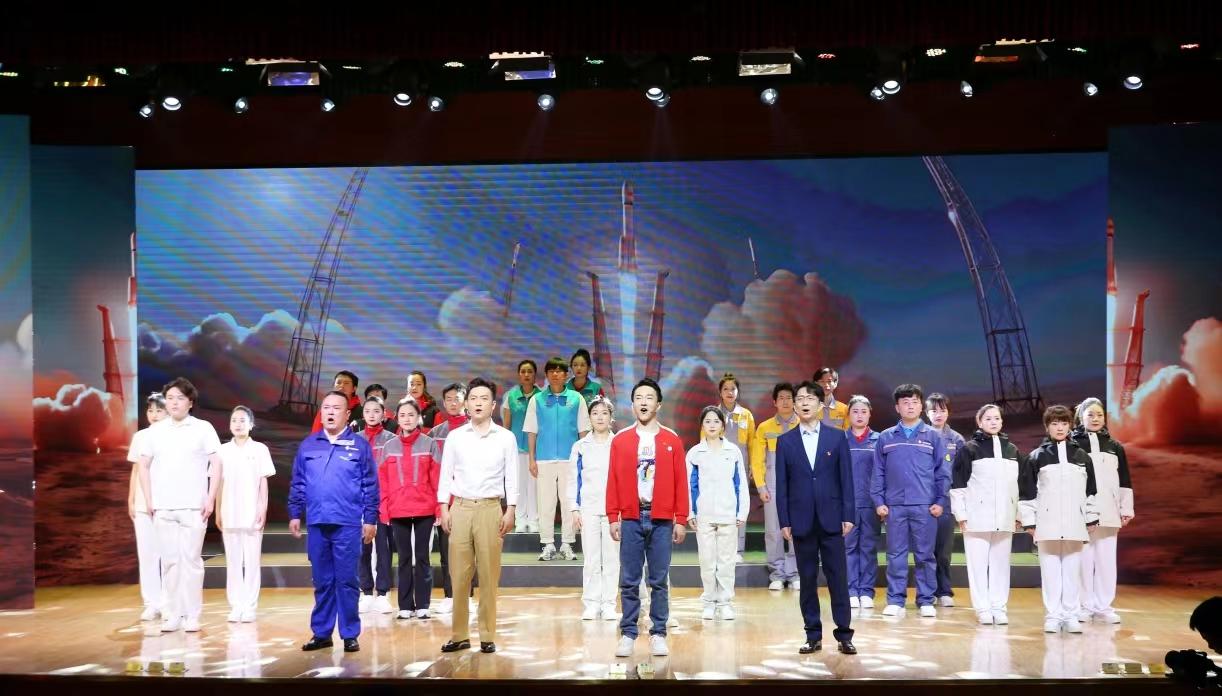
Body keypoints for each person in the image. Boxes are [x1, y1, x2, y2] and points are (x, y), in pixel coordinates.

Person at [288, 391, 378, 653]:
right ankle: (322, 633)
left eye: (336, 408)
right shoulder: (309, 445)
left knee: (347, 580)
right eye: (326, 407)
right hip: (317, 522)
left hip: (347, 523)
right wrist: (295, 512)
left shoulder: (359, 446)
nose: (330, 412)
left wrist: (370, 518)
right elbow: (299, 482)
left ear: (347, 414)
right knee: (322, 580)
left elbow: (370, 485)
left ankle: (350, 633)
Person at [607, 377, 689, 658]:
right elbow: (613, 480)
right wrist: (613, 516)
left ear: (658, 404)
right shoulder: (621, 440)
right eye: (639, 398)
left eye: (649, 398)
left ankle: (658, 633)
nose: (643, 402)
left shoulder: (671, 440)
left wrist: (680, 518)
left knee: (659, 580)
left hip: (661, 519)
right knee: (629, 580)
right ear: (632, 405)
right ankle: (628, 632)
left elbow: (681, 482)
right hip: (631, 517)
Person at [437, 378, 519, 654]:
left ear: (493, 405)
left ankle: (487, 635)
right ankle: (459, 634)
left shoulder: (505, 438)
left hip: (490, 509)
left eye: (484, 398)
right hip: (459, 508)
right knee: (459, 576)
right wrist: (443, 507)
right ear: (466, 404)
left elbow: (512, 476)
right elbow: (446, 473)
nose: (478, 403)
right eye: (473, 398)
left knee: (488, 574)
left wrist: (511, 509)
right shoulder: (456, 437)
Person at [776, 381, 857, 655]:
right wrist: (784, 520)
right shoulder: (785, 441)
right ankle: (813, 635)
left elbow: (846, 479)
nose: (804, 403)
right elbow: (782, 485)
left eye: (810, 398)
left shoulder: (837, 437)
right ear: (795, 406)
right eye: (799, 399)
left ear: (821, 404)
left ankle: (844, 635)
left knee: (838, 579)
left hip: (832, 518)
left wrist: (848, 514)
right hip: (801, 520)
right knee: (807, 581)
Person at [136, 377, 223, 633]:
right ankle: (172, 614)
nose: (174, 403)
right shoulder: (155, 431)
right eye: (170, 398)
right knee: (170, 562)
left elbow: (216, 463)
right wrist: (149, 498)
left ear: (190, 402)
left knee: (191, 562)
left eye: (180, 398)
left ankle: (192, 615)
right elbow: (143, 465)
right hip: (163, 506)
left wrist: (211, 497)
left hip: (194, 506)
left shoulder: (203, 428)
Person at [870, 383, 948, 619]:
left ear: (921, 406)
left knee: (925, 555)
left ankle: (925, 600)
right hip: (894, 507)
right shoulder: (886, 437)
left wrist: (940, 501)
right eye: (905, 402)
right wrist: (879, 501)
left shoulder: (933, 436)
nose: (910, 406)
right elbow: (877, 472)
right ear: (897, 407)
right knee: (896, 555)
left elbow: (943, 472)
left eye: (915, 402)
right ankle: (895, 600)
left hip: (925, 506)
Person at [1019, 404, 1099, 634]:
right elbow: (1027, 493)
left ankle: (1071, 615)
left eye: (1064, 423)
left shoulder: (1082, 456)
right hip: (1047, 524)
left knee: (1072, 572)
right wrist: (1030, 522)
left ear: (1070, 425)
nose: (1060, 428)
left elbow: (1091, 491)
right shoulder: (1036, 457)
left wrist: (1091, 518)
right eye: (1055, 423)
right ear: (1047, 427)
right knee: (1051, 573)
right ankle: (1053, 616)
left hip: (1075, 523)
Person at [949, 404, 1020, 626]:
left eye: (996, 418)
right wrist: (961, 515)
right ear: (979, 422)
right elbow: (958, 484)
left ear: (1002, 421)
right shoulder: (969, 449)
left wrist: (1018, 514)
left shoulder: (1012, 450)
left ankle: (999, 607)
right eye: (988, 418)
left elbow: (1018, 486)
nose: (993, 422)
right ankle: (983, 608)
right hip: (976, 518)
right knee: (978, 566)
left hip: (1005, 517)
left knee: (1001, 566)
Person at [1072, 397, 1134, 625]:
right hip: (1081, 513)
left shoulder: (1115, 446)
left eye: (1099, 415)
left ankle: (1104, 607)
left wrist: (1126, 507)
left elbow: (1124, 479)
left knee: (1106, 561)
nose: (1095, 418)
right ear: (1081, 417)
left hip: (1109, 511)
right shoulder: (1072, 444)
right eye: (1090, 414)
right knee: (1083, 561)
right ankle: (1084, 606)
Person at [380, 397, 442, 620]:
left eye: (411, 415)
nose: (407, 419)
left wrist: (439, 507)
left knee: (423, 557)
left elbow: (437, 478)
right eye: (402, 415)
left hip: (425, 508)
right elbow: (383, 481)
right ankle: (405, 605)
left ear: (419, 418)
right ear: (397, 418)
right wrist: (384, 508)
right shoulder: (389, 447)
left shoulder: (429, 444)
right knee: (404, 557)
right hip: (398, 510)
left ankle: (423, 604)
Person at [524, 357, 590, 561]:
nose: (555, 374)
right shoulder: (537, 400)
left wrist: (584, 459)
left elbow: (583, 431)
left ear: (566, 375)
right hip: (544, 459)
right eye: (551, 370)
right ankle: (548, 544)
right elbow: (532, 431)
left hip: (570, 460)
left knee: (569, 502)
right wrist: (532, 459)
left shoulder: (577, 399)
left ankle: (568, 544)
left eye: (559, 371)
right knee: (545, 503)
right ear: (546, 375)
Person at [687, 406, 749, 621]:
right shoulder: (695, 453)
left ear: (723, 425)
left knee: (726, 562)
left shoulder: (733, 451)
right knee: (707, 561)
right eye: (707, 421)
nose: (712, 425)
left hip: (728, 514)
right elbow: (689, 485)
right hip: (704, 515)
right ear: (702, 425)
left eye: (716, 421)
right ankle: (709, 602)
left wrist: (742, 512)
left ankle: (725, 603)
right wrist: (690, 512)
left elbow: (740, 483)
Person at [216, 405, 275, 623]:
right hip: (229, 511)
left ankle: (249, 605)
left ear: (251, 424)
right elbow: (218, 484)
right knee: (232, 561)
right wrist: (218, 511)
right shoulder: (222, 451)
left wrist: (262, 508)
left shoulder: (260, 449)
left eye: (242, 420)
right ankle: (236, 605)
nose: (238, 424)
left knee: (251, 561)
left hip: (251, 512)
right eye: (234, 420)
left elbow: (263, 482)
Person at [568, 395, 619, 621]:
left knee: (611, 560)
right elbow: (573, 479)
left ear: (611, 417)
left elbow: (624, 479)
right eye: (595, 413)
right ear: (589, 418)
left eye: (604, 413)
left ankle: (608, 604)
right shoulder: (580, 447)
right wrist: (574, 508)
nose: (600, 417)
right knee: (591, 559)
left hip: (613, 511)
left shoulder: (618, 444)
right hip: (588, 508)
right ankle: (591, 603)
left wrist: (621, 510)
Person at [750, 383, 801, 591]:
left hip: (799, 486)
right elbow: (757, 460)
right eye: (781, 398)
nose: (785, 402)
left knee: (799, 529)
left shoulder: (804, 423)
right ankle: (778, 574)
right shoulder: (765, 428)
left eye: (789, 397)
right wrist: (761, 486)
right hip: (772, 485)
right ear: (774, 402)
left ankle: (795, 573)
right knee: (773, 531)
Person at [427, 382, 471, 614]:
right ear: (444, 403)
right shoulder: (435, 434)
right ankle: (450, 596)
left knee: (468, 552)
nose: (453, 403)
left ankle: (467, 597)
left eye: (457, 398)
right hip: (445, 502)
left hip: (469, 499)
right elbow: (431, 471)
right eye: (449, 399)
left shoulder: (474, 429)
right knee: (446, 552)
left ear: (466, 401)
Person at [127, 392, 168, 621]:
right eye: (150, 410)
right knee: (147, 554)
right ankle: (152, 603)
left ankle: (169, 602)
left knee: (168, 554)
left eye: (159, 410)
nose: (154, 415)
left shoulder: (172, 438)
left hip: (166, 503)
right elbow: (135, 470)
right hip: (143, 503)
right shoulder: (140, 437)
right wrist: (131, 499)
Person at [356, 397, 396, 615]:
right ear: (363, 414)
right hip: (360, 502)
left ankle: (382, 593)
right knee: (362, 548)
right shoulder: (355, 439)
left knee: (383, 548)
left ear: (384, 414)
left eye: (376, 411)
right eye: (368, 411)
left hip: (383, 501)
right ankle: (366, 592)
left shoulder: (391, 440)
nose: (371, 415)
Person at [926, 392, 965, 608]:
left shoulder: (957, 440)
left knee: (943, 551)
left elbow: (962, 474)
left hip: (947, 502)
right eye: (934, 410)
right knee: (925, 550)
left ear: (948, 412)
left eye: (942, 410)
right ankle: (927, 592)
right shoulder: (920, 436)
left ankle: (944, 591)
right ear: (926, 413)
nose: (938, 414)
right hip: (923, 500)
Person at [844, 395, 880, 609]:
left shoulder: (879, 440)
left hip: (871, 505)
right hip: (847, 505)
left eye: (863, 411)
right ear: (848, 414)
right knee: (848, 548)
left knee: (868, 548)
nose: (859, 415)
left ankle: (866, 591)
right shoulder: (840, 440)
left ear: (869, 414)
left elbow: (883, 473)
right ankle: (850, 590)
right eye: (855, 411)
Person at [717, 373, 755, 563]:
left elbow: (752, 443)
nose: (729, 392)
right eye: (726, 389)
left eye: (733, 389)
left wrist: (752, 466)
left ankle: (738, 549)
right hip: (718, 469)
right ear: (720, 392)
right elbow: (703, 441)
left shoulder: (746, 415)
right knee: (721, 506)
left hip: (740, 468)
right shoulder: (713, 414)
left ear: (738, 391)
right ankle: (722, 548)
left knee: (740, 507)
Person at [502, 359, 541, 533]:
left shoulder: (541, 396)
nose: (526, 375)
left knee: (534, 486)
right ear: (519, 374)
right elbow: (506, 426)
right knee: (518, 485)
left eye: (530, 371)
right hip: (516, 449)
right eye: (523, 371)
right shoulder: (510, 396)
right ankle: (520, 519)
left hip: (537, 449)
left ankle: (533, 520)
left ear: (535, 375)